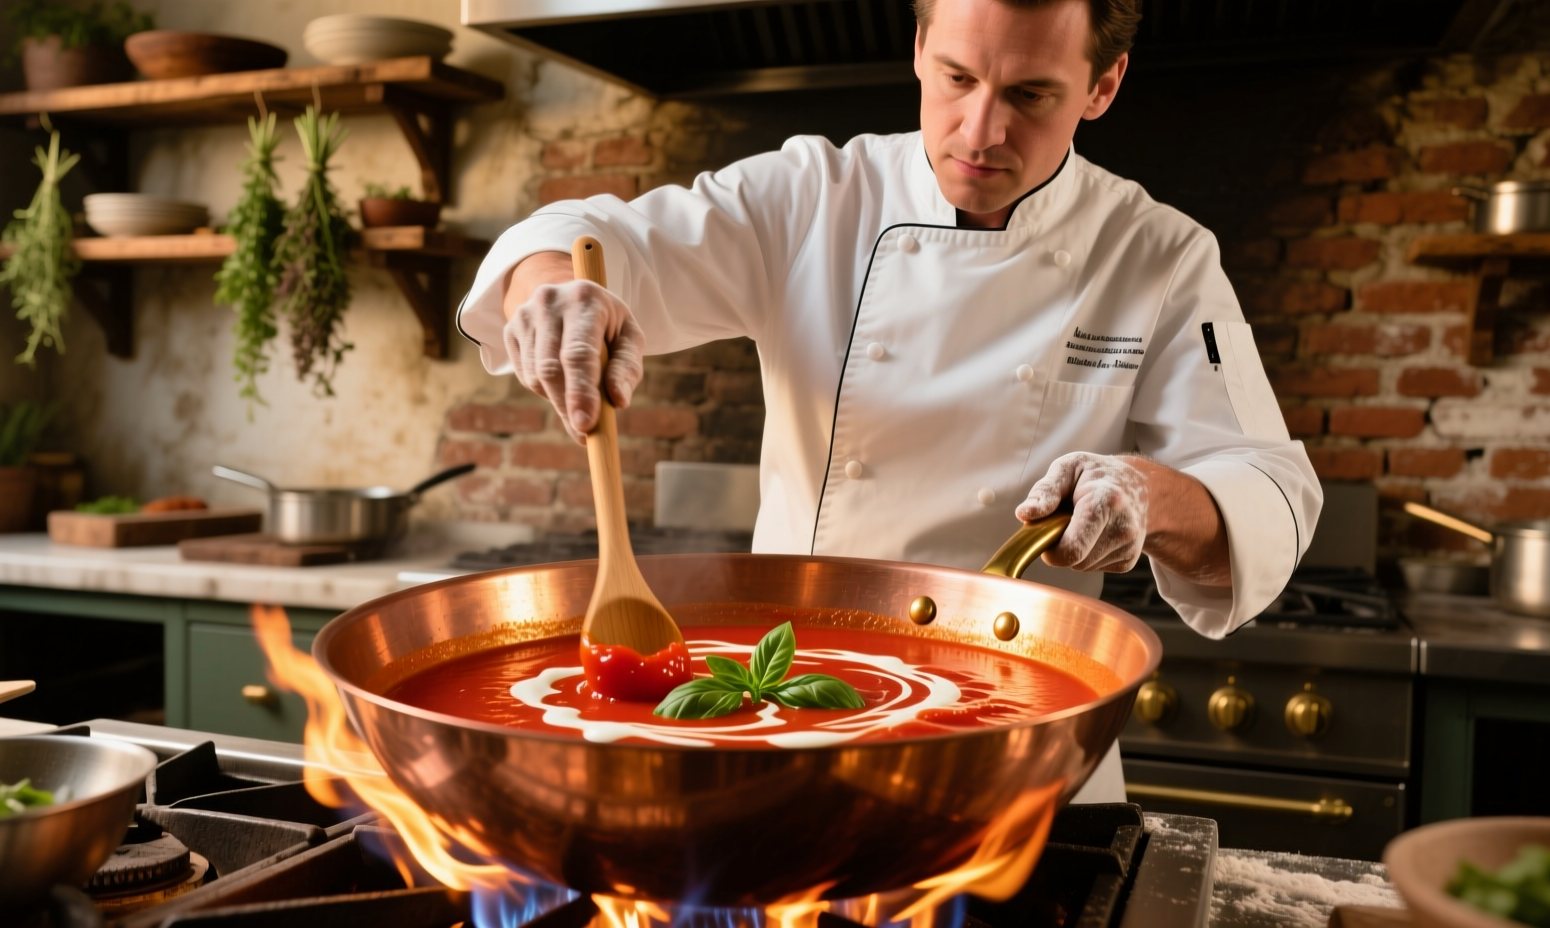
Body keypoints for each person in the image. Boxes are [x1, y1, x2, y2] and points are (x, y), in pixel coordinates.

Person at [459, 0, 1321, 801]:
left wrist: (1143, 490)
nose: (980, 131)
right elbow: (589, 238)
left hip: (1017, 745)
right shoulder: (810, 199)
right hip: (779, 719)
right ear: (917, 49)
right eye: (956, 79)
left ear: (1103, 85)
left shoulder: (1157, 255)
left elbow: (1266, 485)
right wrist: (556, 293)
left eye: (1029, 94)